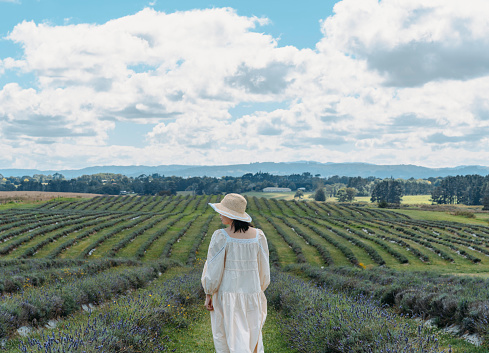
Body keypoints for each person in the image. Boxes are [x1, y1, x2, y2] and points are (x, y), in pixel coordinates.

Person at [201, 193, 270, 353]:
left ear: (231, 215)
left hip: (228, 295)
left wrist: (209, 293)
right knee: (251, 338)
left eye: (222, 211)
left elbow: (213, 269)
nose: (219, 214)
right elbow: (264, 269)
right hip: (252, 294)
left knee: (229, 339)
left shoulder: (221, 237)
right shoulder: (258, 236)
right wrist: (258, 290)